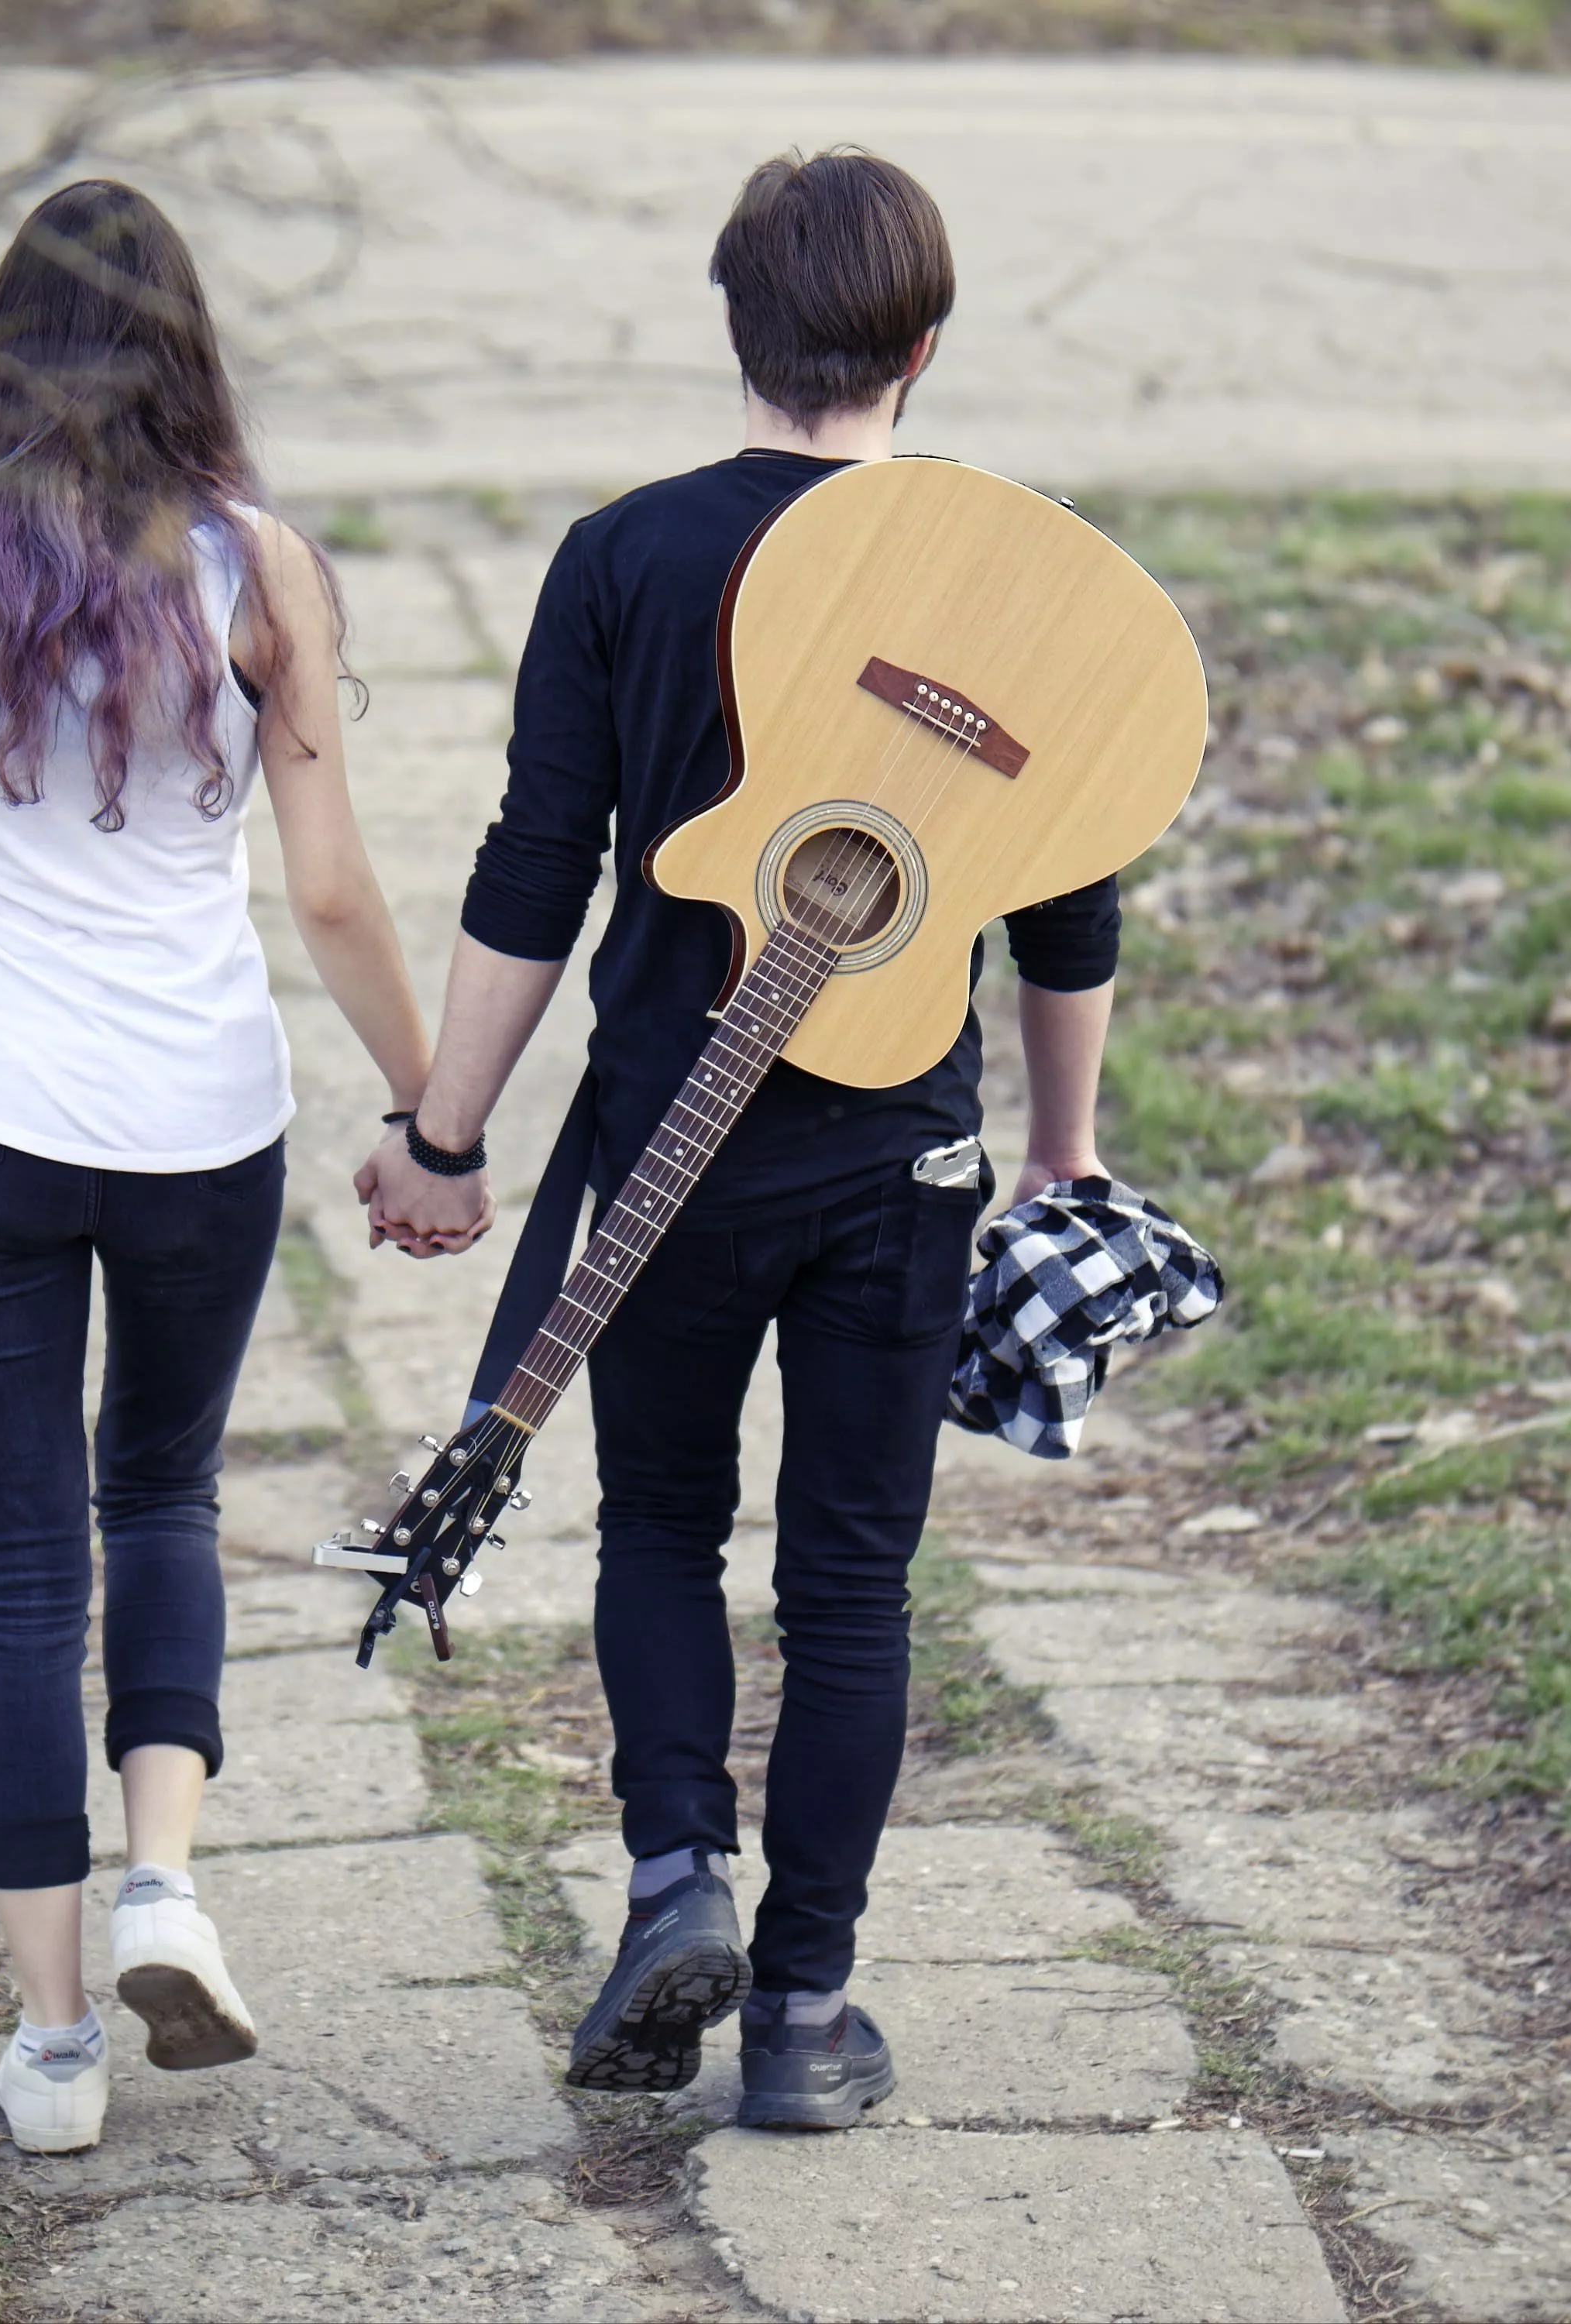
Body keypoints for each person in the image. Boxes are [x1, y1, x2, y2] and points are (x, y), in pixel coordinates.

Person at [357, 150, 1121, 2130]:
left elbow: (538, 865)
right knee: (851, 1587)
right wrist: (1061, 1154)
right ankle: (799, 2022)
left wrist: (445, 1131)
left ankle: (673, 1871)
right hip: (901, 1167)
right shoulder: (1002, 576)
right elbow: (1070, 913)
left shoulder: (625, 555)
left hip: (671, 1163)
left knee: (662, 1530)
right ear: (925, 347)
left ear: (734, 331)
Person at [0, 180, 435, 2157]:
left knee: (22, 1572)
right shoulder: (262, 572)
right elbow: (326, 886)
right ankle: (165, 1879)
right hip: (205, 1123)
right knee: (167, 1495)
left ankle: (54, 2049)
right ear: (187, 359)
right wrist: (431, 1108)